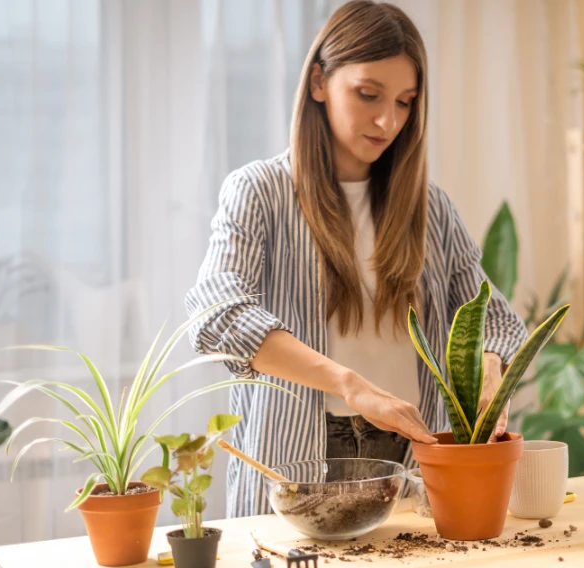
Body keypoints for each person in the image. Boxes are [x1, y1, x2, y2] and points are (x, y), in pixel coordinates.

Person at [185, 0, 528, 518]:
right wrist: (350, 385)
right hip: (301, 454)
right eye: (368, 94)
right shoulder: (260, 191)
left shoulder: (429, 208)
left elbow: (495, 318)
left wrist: (487, 367)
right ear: (319, 82)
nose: (388, 119)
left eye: (406, 102)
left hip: (414, 457)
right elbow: (217, 314)